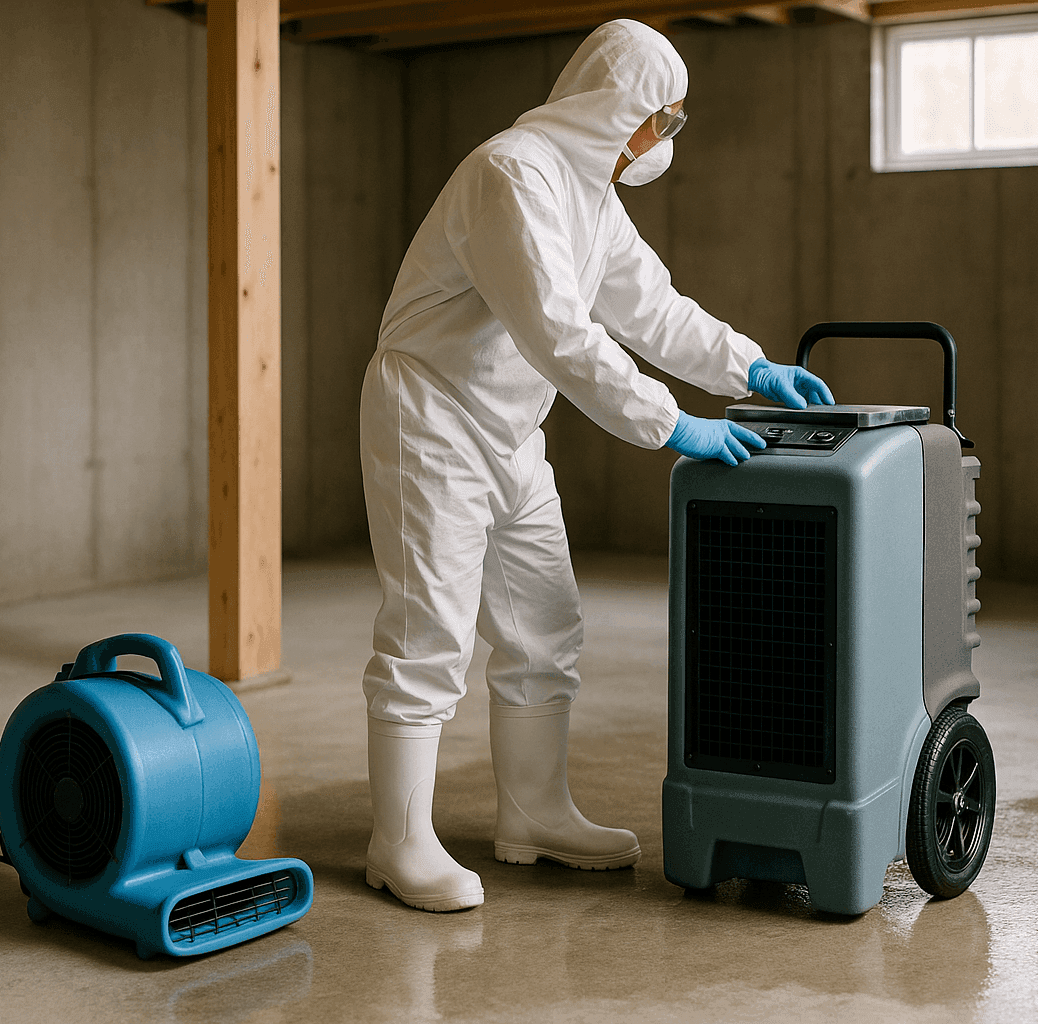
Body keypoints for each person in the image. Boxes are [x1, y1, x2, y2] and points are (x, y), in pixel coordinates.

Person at [358, 19, 834, 913]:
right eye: (665, 118)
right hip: (429, 414)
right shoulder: (512, 173)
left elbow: (652, 309)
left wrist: (750, 366)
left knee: (544, 621)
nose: (665, 139)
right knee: (432, 632)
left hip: (505, 429)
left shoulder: (590, 196)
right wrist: (672, 424)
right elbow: (560, 335)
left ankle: (533, 813)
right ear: (619, 106)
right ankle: (399, 842)